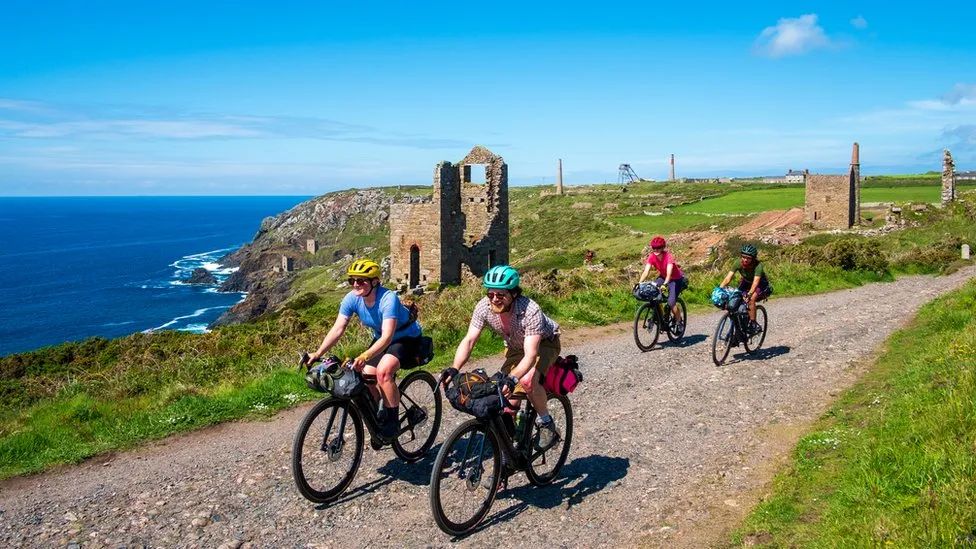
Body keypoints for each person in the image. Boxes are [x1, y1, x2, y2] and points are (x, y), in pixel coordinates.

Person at [307, 259, 424, 442]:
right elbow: (338, 329)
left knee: (384, 372)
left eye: (361, 281)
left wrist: (365, 355)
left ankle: (392, 422)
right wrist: (318, 353)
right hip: (381, 339)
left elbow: (388, 337)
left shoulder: (388, 299)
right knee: (366, 375)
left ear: (375, 282)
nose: (355, 284)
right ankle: (379, 415)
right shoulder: (352, 298)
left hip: (405, 337)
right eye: (352, 280)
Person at [446, 265, 562, 449]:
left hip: (544, 344)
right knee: (503, 395)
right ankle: (512, 445)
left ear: (514, 294)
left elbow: (531, 355)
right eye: (491, 294)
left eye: (501, 295)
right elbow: (469, 340)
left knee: (527, 381)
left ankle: (547, 423)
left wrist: (512, 378)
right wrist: (454, 368)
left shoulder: (530, 310)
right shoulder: (483, 307)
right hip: (516, 346)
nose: (494, 299)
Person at [637, 236, 686, 330]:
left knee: (671, 302)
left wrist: (665, 284)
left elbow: (669, 274)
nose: (656, 250)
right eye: (654, 248)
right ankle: (661, 316)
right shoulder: (652, 257)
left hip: (675, 279)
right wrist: (639, 283)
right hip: (662, 277)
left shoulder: (668, 257)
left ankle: (679, 322)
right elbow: (646, 272)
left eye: (658, 248)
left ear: (663, 247)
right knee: (653, 293)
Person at [719, 244, 771, 333]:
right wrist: (719, 289)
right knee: (735, 298)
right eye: (743, 257)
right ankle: (739, 327)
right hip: (746, 282)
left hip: (760, 284)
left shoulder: (758, 266)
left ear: (753, 258)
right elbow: (728, 278)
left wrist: (749, 294)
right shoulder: (738, 263)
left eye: (748, 258)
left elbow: (755, 283)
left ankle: (753, 324)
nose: (745, 260)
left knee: (751, 299)